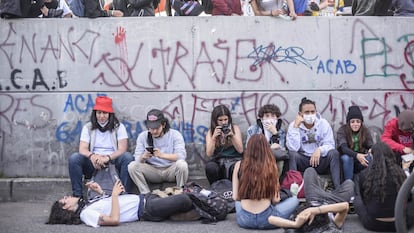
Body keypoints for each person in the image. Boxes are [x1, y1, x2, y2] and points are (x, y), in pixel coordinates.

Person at [47, 180, 194, 227]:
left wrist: (100, 193)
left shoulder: (86, 205)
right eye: (65, 198)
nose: (68, 196)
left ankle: (184, 212)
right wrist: (115, 194)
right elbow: (114, 219)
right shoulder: (86, 215)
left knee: (187, 189)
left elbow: (108, 206)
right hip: (146, 209)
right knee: (185, 199)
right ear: (66, 207)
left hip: (146, 198)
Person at [68, 96, 134, 198]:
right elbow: (82, 148)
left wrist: (107, 158)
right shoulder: (88, 127)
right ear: (95, 113)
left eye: (104, 113)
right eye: (99, 113)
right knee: (74, 158)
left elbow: (122, 149)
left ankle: (124, 195)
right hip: (94, 162)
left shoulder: (118, 127)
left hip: (112, 161)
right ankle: (78, 197)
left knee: (128, 157)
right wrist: (93, 156)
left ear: (110, 114)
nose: (101, 116)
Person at [232, 134, 299, 229]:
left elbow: (235, 197)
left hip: (244, 220)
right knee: (294, 200)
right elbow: (276, 200)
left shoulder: (238, 165)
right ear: (266, 149)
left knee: (238, 203)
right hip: (268, 220)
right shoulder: (271, 166)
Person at [354, 141, 414, 232]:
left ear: (373, 157)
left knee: (357, 200)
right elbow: (408, 197)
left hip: (374, 224)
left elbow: (363, 199)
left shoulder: (364, 174)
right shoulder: (400, 173)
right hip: (400, 223)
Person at [128, 109, 188, 194]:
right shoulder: (143, 136)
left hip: (170, 170)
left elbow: (181, 156)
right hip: (153, 171)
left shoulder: (175, 135)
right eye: (151, 128)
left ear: (163, 125)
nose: (154, 131)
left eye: (157, 128)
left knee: (182, 164)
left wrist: (162, 155)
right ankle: (146, 194)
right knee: (132, 166)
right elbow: (137, 159)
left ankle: (180, 192)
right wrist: (143, 157)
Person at [286, 97, 341, 189]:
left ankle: (338, 188)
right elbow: (293, 148)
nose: (310, 115)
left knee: (334, 153)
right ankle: (294, 189)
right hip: (304, 160)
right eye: (307, 112)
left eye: (312, 112)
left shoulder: (323, 123)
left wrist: (319, 150)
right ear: (300, 114)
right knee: (292, 155)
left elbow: (330, 144)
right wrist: (295, 127)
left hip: (320, 160)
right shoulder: (293, 125)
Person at [246, 104, 288, 179]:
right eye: (267, 116)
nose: (270, 119)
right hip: (257, 157)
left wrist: (275, 134)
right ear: (262, 118)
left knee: (280, 160)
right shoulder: (253, 129)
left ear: (277, 118)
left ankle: (275, 182)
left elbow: (281, 150)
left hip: (274, 158)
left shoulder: (280, 131)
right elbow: (249, 148)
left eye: (273, 116)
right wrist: (268, 148)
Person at [205, 104, 244, 185]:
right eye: (220, 120)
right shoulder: (211, 132)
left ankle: (234, 190)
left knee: (238, 168)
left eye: (225, 119)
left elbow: (240, 150)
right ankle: (215, 188)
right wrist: (214, 138)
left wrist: (232, 136)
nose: (223, 122)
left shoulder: (235, 128)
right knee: (210, 167)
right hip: (219, 161)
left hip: (234, 160)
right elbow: (209, 153)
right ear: (215, 120)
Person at [337, 106, 373, 181]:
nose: (355, 124)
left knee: (371, 158)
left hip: (360, 160)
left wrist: (371, 149)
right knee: (347, 158)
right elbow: (344, 148)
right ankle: (348, 183)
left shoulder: (365, 131)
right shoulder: (342, 130)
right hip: (347, 160)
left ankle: (367, 182)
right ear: (348, 122)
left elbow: (370, 144)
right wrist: (356, 155)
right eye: (352, 122)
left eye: (358, 121)